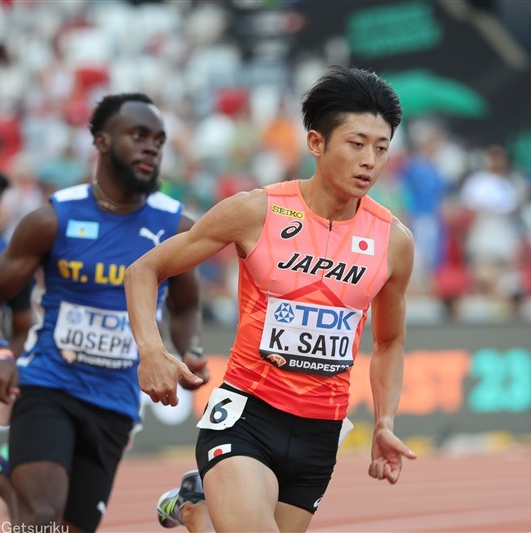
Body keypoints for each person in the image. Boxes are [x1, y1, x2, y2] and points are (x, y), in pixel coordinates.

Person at [125, 65, 417, 532]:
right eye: (356, 143)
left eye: (381, 149)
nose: (370, 161)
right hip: (246, 415)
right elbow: (145, 269)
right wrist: (151, 350)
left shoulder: (393, 241)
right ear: (316, 143)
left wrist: (385, 422)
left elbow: (389, 342)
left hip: (321, 433)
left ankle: (195, 509)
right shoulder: (257, 210)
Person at [0, 92, 209, 532]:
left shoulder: (176, 227)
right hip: (49, 383)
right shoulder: (54, 219)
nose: (152, 147)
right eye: (139, 135)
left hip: (116, 400)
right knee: (42, 519)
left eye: (160, 140)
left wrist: (189, 349)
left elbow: (186, 305)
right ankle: (17, 481)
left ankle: (4, 474)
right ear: (103, 142)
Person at [0, 165, 33, 519]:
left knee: (27, 497)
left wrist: (6, 360)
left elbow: (22, 324)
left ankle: (1, 470)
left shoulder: (10, 255)